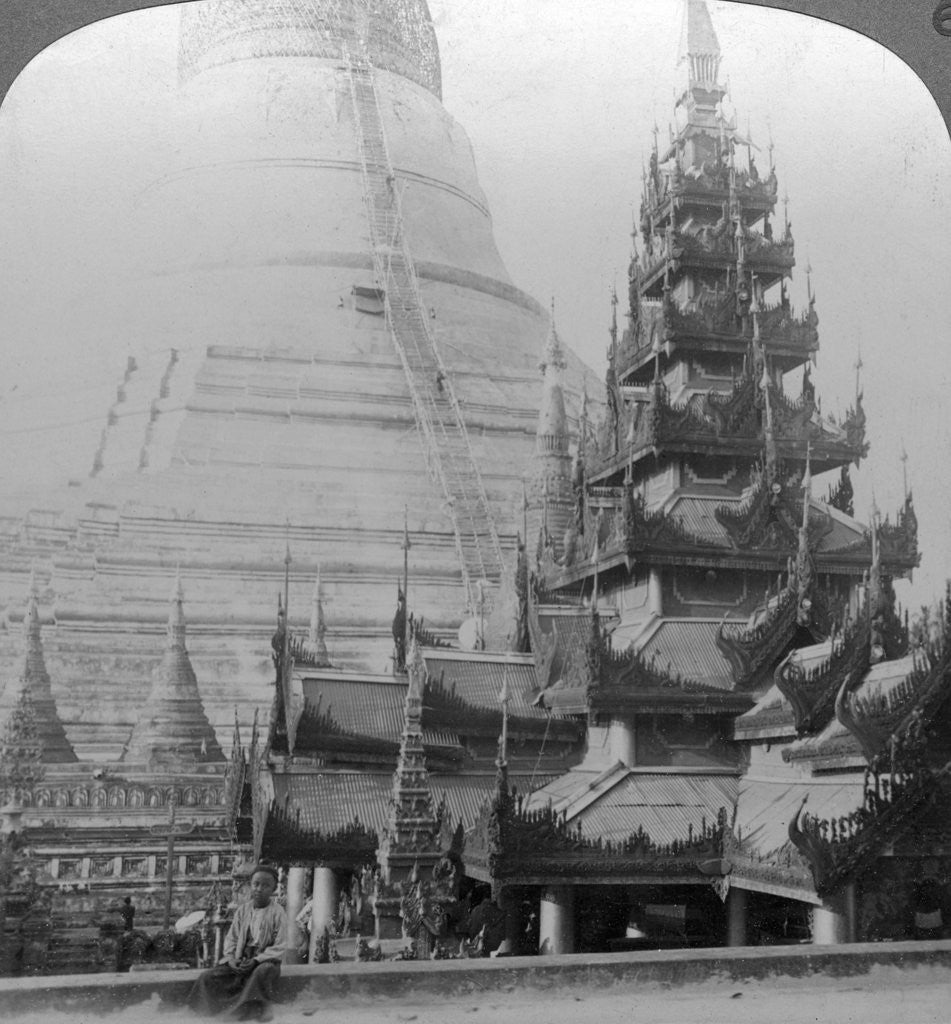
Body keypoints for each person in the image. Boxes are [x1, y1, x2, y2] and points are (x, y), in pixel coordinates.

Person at [187, 865, 287, 1021]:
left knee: (262, 971)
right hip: (242, 957)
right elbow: (232, 938)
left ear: (274, 889)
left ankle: (248, 1008)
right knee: (208, 977)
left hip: (266, 960)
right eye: (256, 884)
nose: (259, 889)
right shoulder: (243, 911)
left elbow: (280, 944)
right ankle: (208, 1011)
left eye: (266, 885)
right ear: (250, 885)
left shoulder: (278, 912)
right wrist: (232, 958)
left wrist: (257, 960)